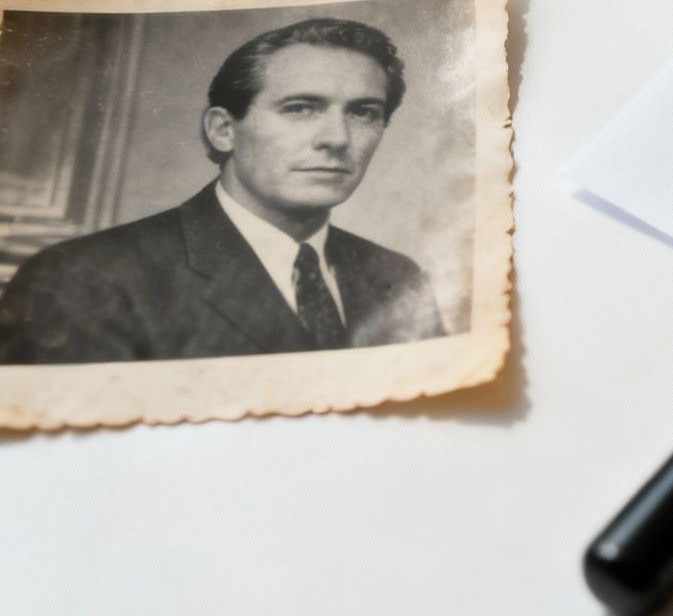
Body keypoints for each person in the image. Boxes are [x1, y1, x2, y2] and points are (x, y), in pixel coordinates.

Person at [0, 18, 445, 363]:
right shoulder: (85, 278)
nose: (337, 138)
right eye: (300, 108)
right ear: (223, 130)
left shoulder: (395, 277)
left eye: (363, 113)